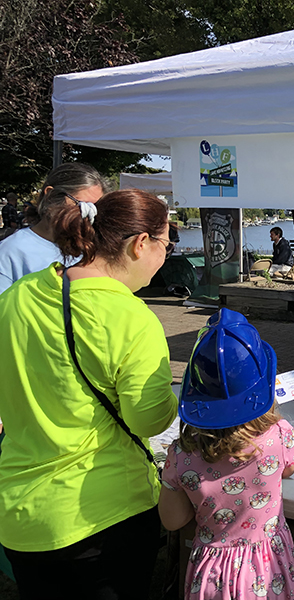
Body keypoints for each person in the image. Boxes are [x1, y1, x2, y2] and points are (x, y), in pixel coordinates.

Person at [0, 189, 178, 599]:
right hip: (104, 516)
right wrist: (173, 395)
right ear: (141, 244)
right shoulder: (132, 319)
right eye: (166, 245)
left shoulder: (19, 295)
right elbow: (147, 420)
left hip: (21, 513)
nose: (164, 258)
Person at [159, 308, 294, 600]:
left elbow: (173, 520)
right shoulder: (280, 435)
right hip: (268, 569)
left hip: (213, 574)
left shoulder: (181, 455)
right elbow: (289, 468)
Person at [0, 163, 108, 294]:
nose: (88, 216)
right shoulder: (11, 251)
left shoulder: (92, 248)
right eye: (81, 205)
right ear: (50, 195)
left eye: (95, 208)